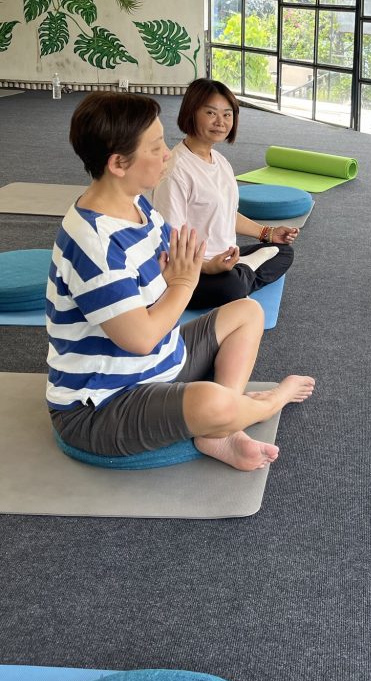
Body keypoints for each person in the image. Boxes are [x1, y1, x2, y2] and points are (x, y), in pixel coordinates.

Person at [46, 90, 315, 468]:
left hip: (159, 362)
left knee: (248, 312)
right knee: (213, 402)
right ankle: (266, 403)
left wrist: (204, 268)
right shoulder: (94, 243)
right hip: (101, 406)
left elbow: (178, 259)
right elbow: (141, 338)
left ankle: (218, 429)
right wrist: (183, 284)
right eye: (156, 147)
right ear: (119, 163)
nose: (167, 154)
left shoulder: (136, 204)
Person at [153, 79, 298, 310]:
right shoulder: (176, 170)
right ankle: (243, 273)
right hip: (188, 271)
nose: (220, 122)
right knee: (231, 287)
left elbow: (227, 214)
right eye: (211, 113)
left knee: (284, 252)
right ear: (191, 113)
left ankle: (242, 270)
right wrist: (208, 267)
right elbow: (169, 241)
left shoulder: (220, 162)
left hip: (225, 258)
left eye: (227, 114)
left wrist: (267, 233)